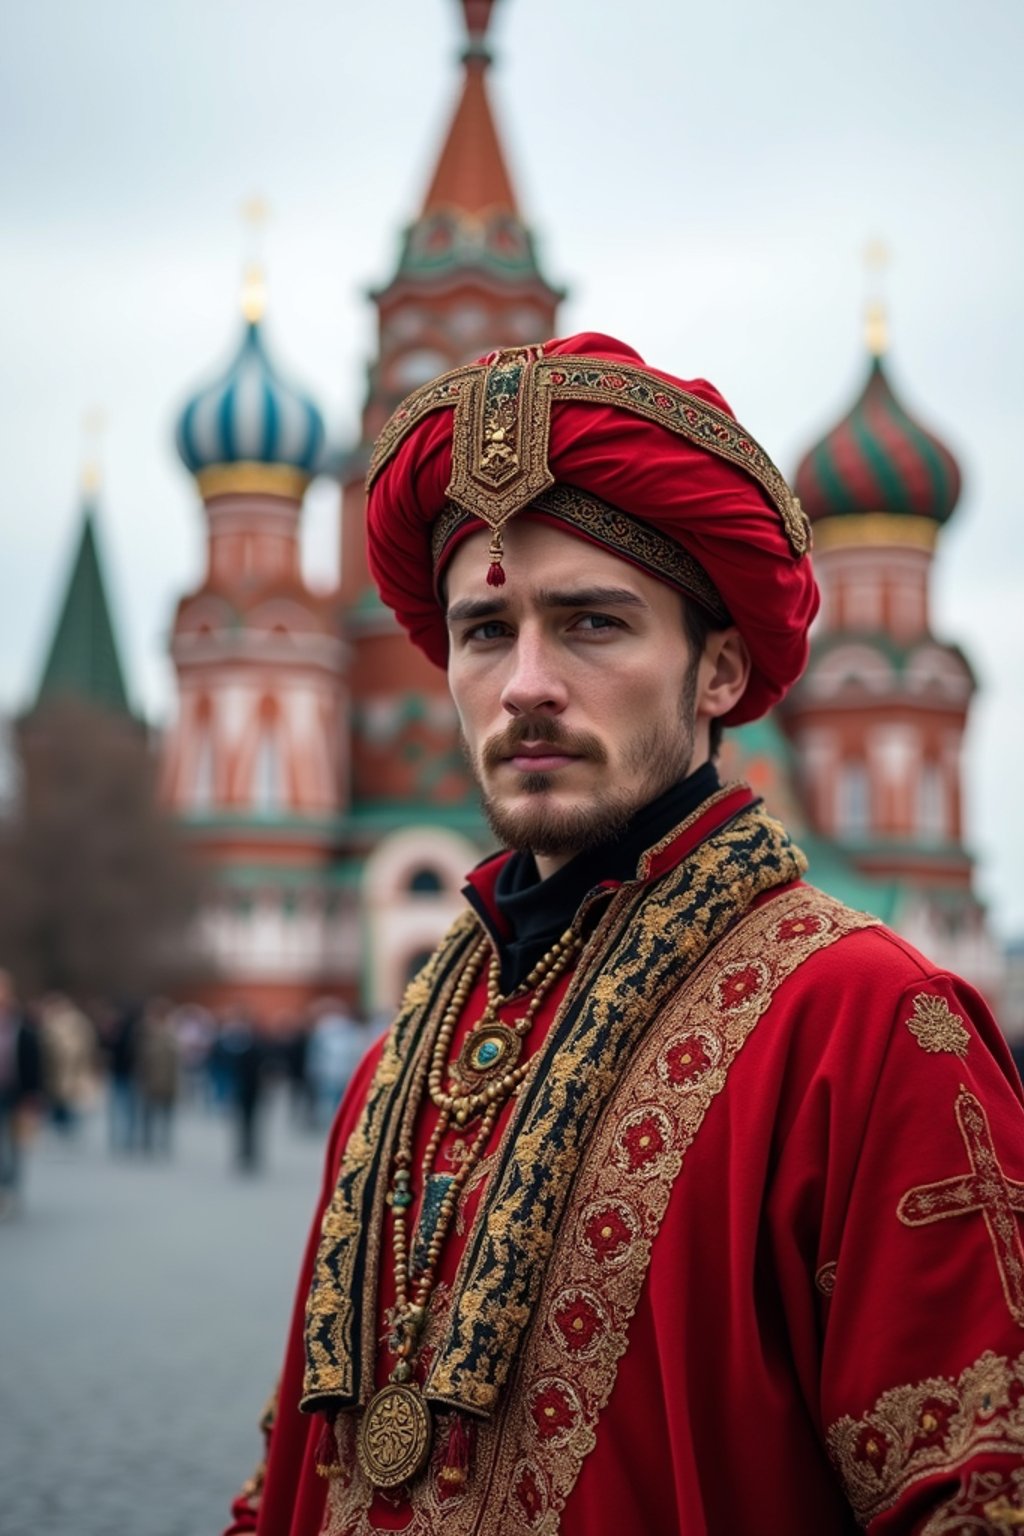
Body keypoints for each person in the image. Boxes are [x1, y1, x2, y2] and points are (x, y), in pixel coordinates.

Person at [224, 334, 1024, 1535]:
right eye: (485, 632)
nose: (525, 684)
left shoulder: (865, 1025)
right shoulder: (406, 1059)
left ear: (716, 671)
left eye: (591, 624)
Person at [0, 970, 42, 1216]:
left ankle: (11, 1189)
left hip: (15, 1093)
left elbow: (33, 1059)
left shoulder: (21, 1025)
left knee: (14, 1145)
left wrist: (33, 1094)